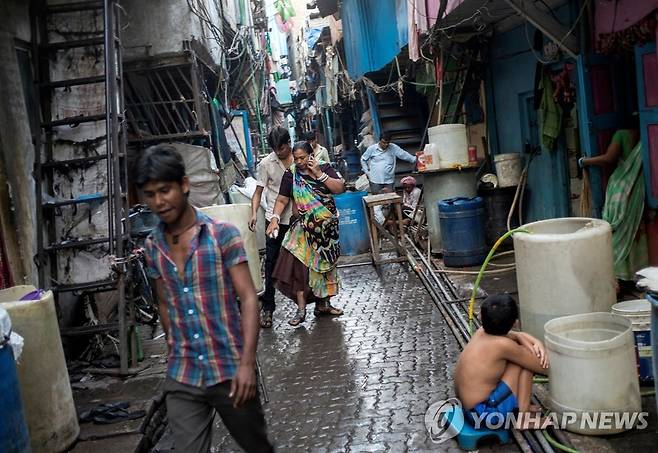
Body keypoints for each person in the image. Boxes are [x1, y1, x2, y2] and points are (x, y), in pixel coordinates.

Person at [136, 145, 273, 453]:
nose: (158, 201)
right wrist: (174, 348)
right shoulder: (152, 247)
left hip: (229, 370)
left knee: (257, 447)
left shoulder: (222, 235)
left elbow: (249, 298)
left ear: (184, 185)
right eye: (150, 194)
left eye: (165, 190)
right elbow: (163, 302)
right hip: (184, 376)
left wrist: (247, 364)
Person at [266, 141, 346, 326]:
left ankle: (323, 305)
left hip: (326, 233)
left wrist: (319, 174)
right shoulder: (291, 174)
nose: (299, 162)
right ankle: (301, 311)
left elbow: (339, 189)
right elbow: (282, 199)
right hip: (302, 230)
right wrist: (275, 218)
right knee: (300, 270)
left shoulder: (325, 168)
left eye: (303, 158)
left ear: (312, 156)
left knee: (325, 267)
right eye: (296, 158)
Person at [454, 294, 549, 429]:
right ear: (515, 322)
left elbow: (516, 335)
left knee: (521, 357)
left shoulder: (482, 331)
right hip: (484, 415)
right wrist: (538, 346)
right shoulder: (503, 345)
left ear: (482, 318)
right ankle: (523, 419)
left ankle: (523, 407)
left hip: (468, 409)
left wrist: (533, 341)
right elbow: (543, 367)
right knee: (523, 363)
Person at [580, 119, 648, 282]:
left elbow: (609, 158)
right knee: (633, 229)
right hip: (638, 188)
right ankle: (636, 275)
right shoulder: (645, 135)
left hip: (621, 189)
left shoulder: (621, 134)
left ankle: (616, 276)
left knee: (616, 230)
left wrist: (584, 161)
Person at [249, 127, 294, 328]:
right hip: (274, 220)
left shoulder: (300, 158)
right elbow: (258, 192)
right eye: (275, 148)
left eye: (282, 148)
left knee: (307, 261)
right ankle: (267, 308)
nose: (279, 152)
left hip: (299, 217)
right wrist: (253, 214)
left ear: (289, 143)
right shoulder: (266, 164)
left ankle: (319, 302)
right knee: (271, 262)